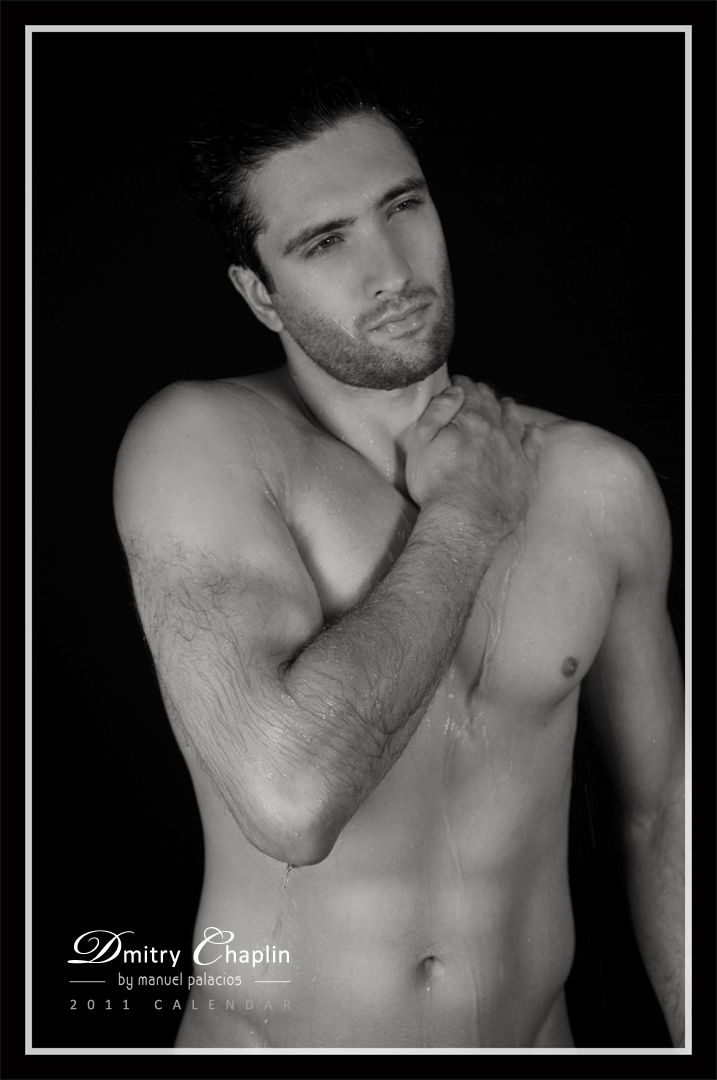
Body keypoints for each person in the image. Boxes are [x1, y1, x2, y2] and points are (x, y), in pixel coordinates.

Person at [112, 60, 684, 1048]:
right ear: (259, 293)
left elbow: (664, 814)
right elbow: (292, 801)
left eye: (403, 206)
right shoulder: (201, 448)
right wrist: (463, 516)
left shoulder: (599, 484)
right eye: (325, 241)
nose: (390, 270)